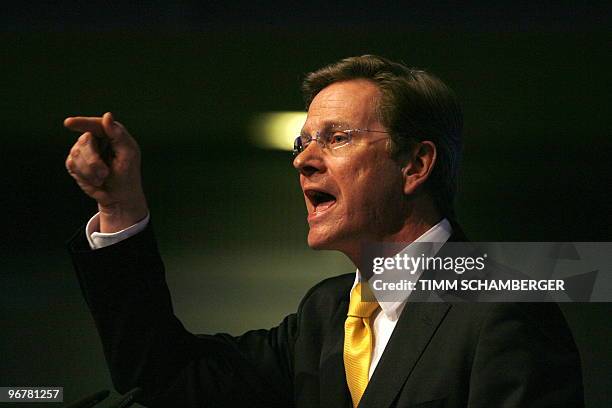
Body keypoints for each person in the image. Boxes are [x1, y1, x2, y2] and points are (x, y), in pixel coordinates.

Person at [65, 55, 584, 407]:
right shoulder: (324, 315)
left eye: (336, 138)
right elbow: (167, 378)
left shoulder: (504, 307)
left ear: (415, 165)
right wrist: (119, 204)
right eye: (301, 143)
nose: (304, 161)